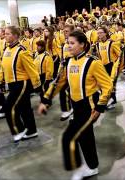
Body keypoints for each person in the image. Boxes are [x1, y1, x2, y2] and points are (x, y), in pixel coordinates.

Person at [37, 30, 113, 180]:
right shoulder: (69, 61)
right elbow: (60, 82)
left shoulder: (93, 62)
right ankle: (92, 166)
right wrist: (46, 100)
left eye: (72, 43)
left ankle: (82, 167)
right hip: (76, 106)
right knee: (85, 136)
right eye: (67, 43)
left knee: (70, 137)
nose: (68, 46)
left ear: (82, 45)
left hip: (89, 107)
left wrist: (99, 107)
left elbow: (108, 86)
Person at [0, 26, 41, 142]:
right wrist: (0, 81)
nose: (5, 35)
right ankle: (32, 131)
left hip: (21, 84)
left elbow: (32, 69)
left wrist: (37, 85)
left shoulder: (22, 51)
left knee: (9, 108)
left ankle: (19, 131)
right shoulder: (6, 50)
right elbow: (3, 66)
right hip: (11, 84)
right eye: (5, 33)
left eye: (8, 34)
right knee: (24, 108)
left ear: (16, 36)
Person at [95, 26, 121, 109]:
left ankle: (112, 100)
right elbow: (99, 56)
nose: (99, 34)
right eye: (98, 33)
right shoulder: (97, 44)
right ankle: (108, 99)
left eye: (101, 33)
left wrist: (117, 66)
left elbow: (120, 55)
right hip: (103, 66)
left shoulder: (112, 43)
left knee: (111, 84)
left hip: (112, 66)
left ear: (105, 33)